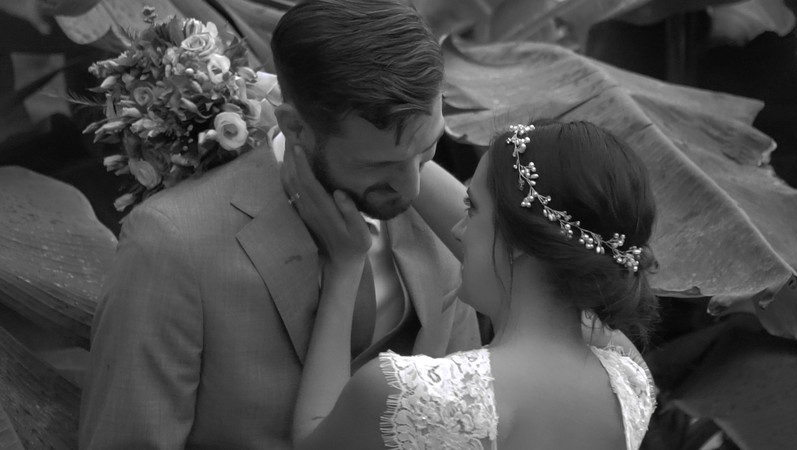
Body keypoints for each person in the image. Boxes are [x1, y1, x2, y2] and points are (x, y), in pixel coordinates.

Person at [78, 1, 482, 448]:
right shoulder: (175, 242)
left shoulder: (445, 222)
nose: (410, 188)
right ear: (296, 127)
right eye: (378, 164)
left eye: (426, 150)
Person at [284, 119, 660, 449]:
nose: (457, 230)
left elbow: (311, 437)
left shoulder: (410, 394)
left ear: (521, 241)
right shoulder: (629, 381)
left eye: (471, 208)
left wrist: (345, 264)